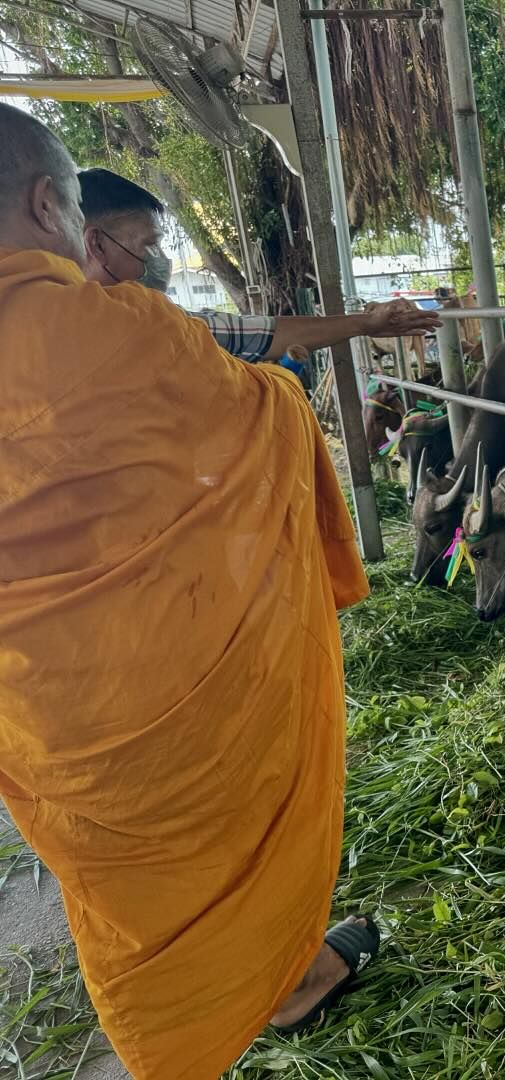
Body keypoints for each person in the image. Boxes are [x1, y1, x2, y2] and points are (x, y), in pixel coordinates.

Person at [0, 104, 377, 1078]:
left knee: (121, 881)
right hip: (173, 673)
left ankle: (201, 1016)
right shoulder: (121, 332)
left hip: (48, 708)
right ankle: (274, 982)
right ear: (50, 204)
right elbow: (262, 414)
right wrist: (292, 395)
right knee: (239, 813)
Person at [77, 167, 439, 362]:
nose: (158, 260)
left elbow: (253, 333)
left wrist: (365, 323)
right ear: (97, 244)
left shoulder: (155, 321)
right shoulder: (86, 332)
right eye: (149, 245)